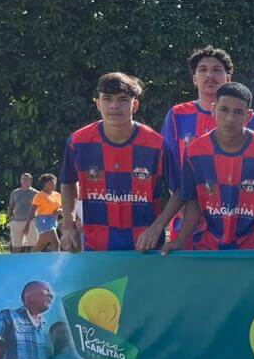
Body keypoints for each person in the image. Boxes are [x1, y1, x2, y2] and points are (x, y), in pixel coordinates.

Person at [59, 73, 180, 253]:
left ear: (135, 105)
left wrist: (157, 227)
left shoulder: (157, 145)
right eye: (107, 99)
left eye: (123, 99)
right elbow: (68, 182)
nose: (114, 106)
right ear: (98, 104)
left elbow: (180, 191)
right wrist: (68, 224)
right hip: (96, 250)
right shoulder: (78, 142)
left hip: (145, 250)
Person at [163, 82, 254, 254]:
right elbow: (193, 201)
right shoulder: (195, 151)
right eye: (224, 110)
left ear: (248, 115)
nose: (230, 118)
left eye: (238, 112)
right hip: (209, 246)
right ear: (213, 110)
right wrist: (181, 240)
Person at [161, 46, 254, 235]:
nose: (209, 75)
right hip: (187, 216)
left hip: (232, 214)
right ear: (194, 79)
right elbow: (169, 165)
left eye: (216, 70)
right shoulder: (177, 115)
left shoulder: (246, 117)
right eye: (203, 70)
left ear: (228, 78)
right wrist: (180, 202)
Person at [31, 174, 62, 252]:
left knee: (41, 244)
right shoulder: (39, 195)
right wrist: (27, 225)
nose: (54, 185)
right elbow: (32, 211)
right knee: (55, 242)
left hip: (53, 220)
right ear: (45, 184)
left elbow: (62, 207)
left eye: (54, 183)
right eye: (51, 183)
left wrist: (60, 210)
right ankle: (56, 262)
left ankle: (30, 258)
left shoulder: (57, 195)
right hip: (42, 220)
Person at [8, 173, 37, 253]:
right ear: (20, 181)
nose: (24, 181)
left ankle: (33, 262)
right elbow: (11, 206)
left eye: (26, 179)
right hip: (16, 222)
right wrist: (10, 218)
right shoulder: (15, 192)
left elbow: (38, 208)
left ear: (30, 181)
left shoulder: (35, 193)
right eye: (23, 179)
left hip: (31, 222)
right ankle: (16, 263)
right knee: (16, 245)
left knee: (34, 244)